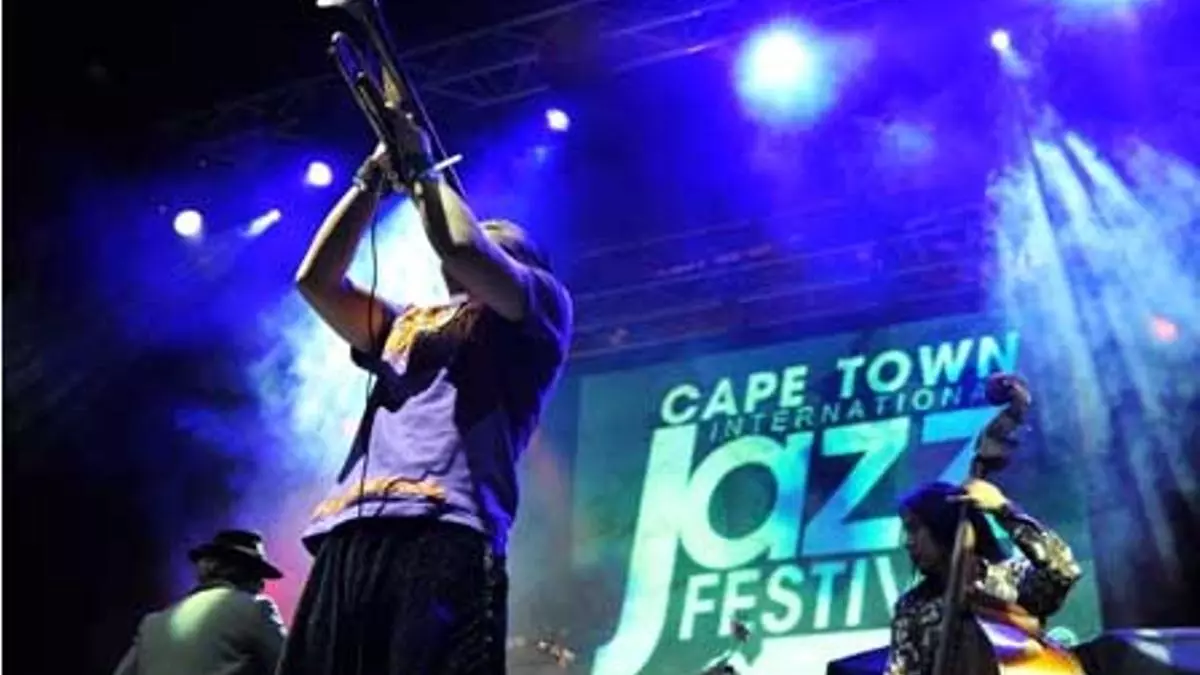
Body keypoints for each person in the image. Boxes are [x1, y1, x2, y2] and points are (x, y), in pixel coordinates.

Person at [279, 112, 573, 675]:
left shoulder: (543, 305)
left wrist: (421, 166)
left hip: (446, 526)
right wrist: (370, 180)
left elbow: (462, 246)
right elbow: (316, 282)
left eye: (499, 236)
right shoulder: (407, 321)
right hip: (353, 527)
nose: (484, 230)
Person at [884, 479, 1083, 675]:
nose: (908, 542)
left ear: (943, 526)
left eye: (914, 529)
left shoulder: (1013, 577)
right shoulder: (911, 607)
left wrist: (1004, 509)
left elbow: (1065, 570)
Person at [113, 529, 287, 675]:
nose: (262, 585)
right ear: (243, 572)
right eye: (258, 575)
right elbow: (292, 665)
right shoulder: (256, 609)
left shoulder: (152, 624)